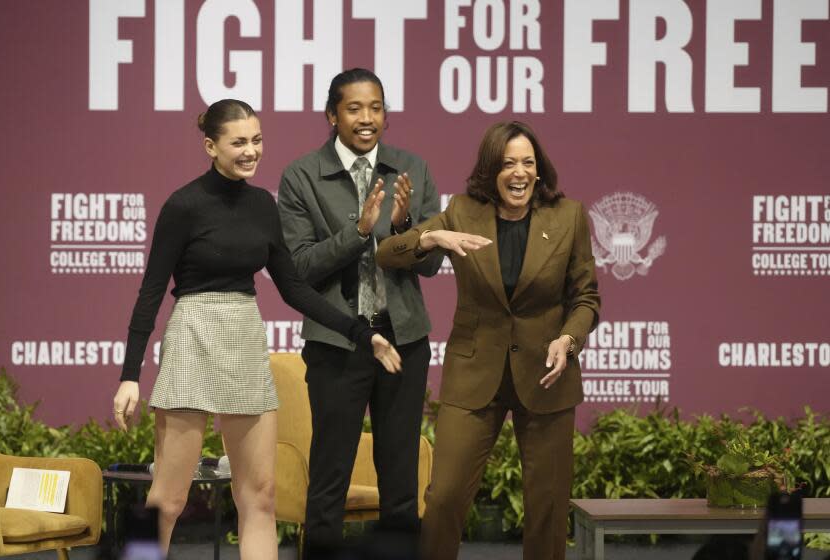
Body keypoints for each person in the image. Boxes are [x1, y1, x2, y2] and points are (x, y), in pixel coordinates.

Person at [111, 99, 401, 560]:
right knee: (167, 500)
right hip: (192, 337)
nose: (251, 151)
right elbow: (150, 293)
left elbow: (294, 289)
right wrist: (130, 375)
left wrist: (362, 332)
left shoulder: (264, 204)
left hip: (245, 338)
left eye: (257, 140)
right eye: (239, 142)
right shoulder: (183, 205)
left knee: (260, 495)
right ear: (211, 146)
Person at [376, 121, 601, 560]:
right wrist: (432, 236)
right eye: (508, 163)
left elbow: (586, 297)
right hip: (474, 372)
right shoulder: (462, 210)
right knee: (442, 498)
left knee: (547, 507)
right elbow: (387, 253)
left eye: (528, 163)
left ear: (539, 170)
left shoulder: (569, 215)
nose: (519, 172)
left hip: (545, 373)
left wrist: (568, 340)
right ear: (490, 169)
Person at [276, 68, 443, 557]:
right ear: (332, 115)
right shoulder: (302, 176)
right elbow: (299, 267)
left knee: (400, 481)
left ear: (386, 115)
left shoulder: (412, 168)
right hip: (337, 343)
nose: (366, 119)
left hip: (404, 341)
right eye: (354, 108)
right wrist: (358, 232)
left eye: (375, 108)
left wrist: (404, 226)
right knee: (329, 480)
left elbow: (432, 263)